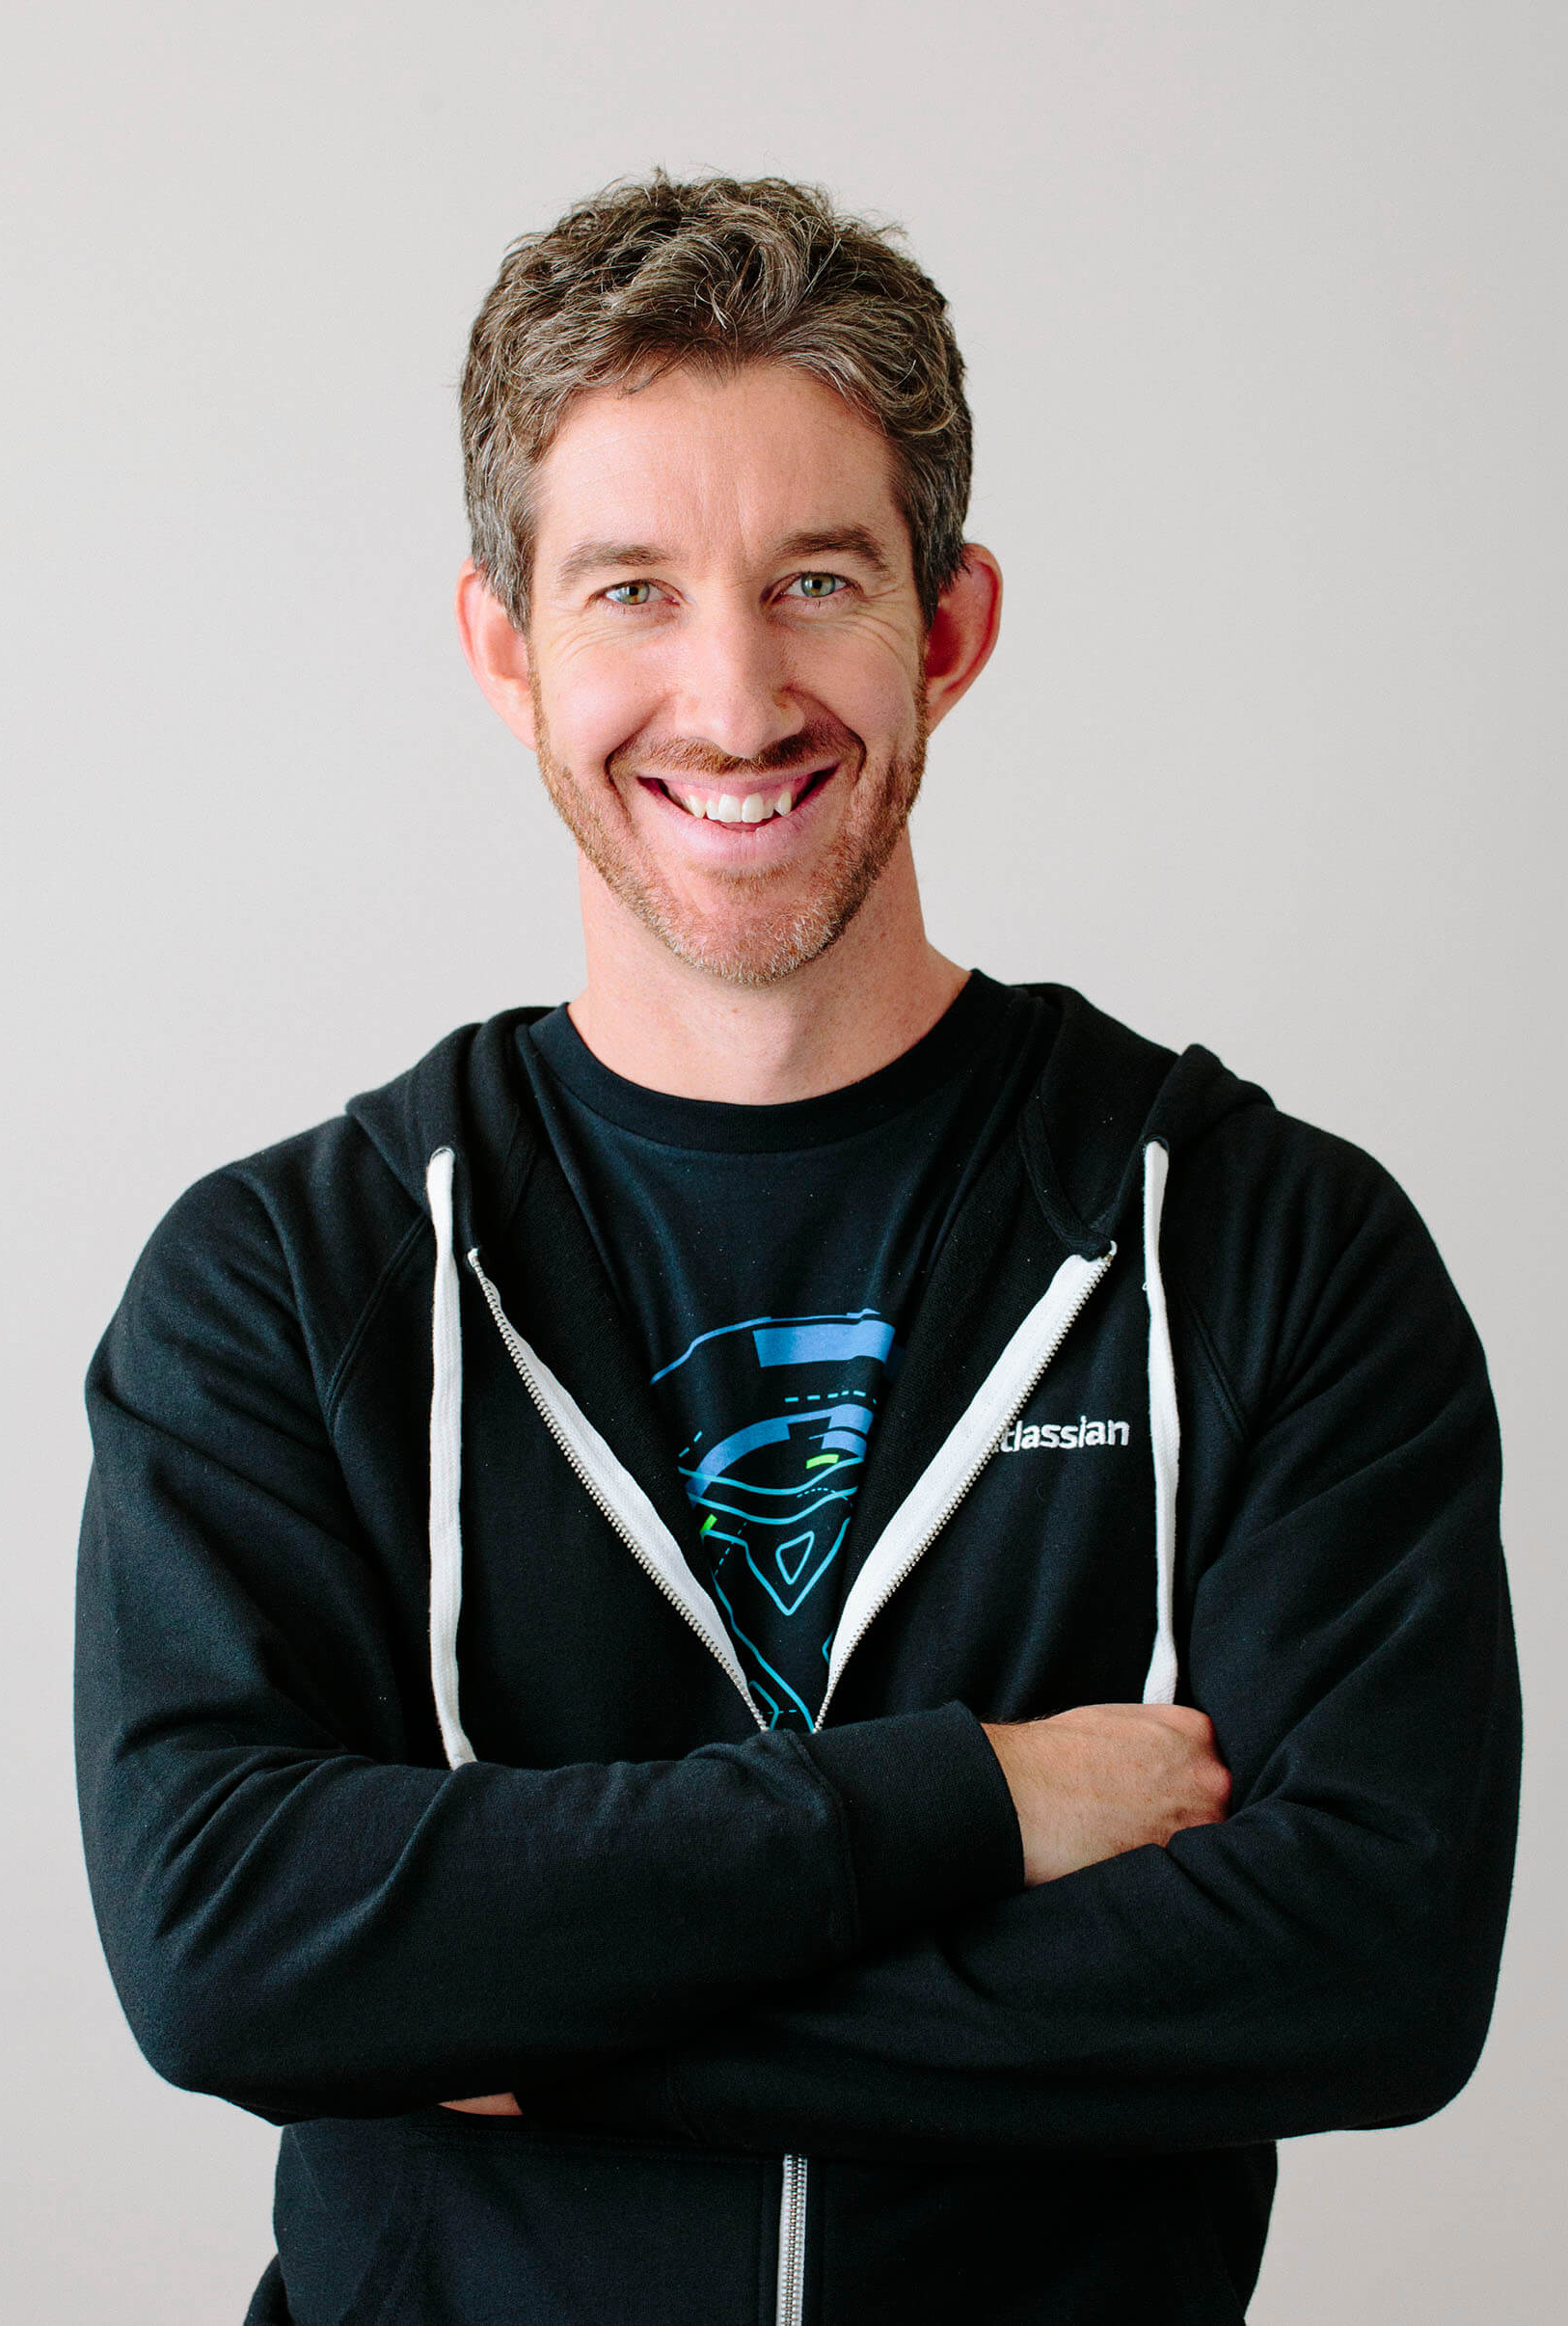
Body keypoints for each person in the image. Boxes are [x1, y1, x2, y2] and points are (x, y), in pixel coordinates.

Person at [75, 175, 1520, 2326]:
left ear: (949, 629)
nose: (733, 698)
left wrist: (534, 2024)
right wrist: (973, 1805)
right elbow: (225, 1942)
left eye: (816, 581)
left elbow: (1373, 1966)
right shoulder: (285, 1282)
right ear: (506, 646)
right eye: (633, 592)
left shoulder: (1264, 1243)